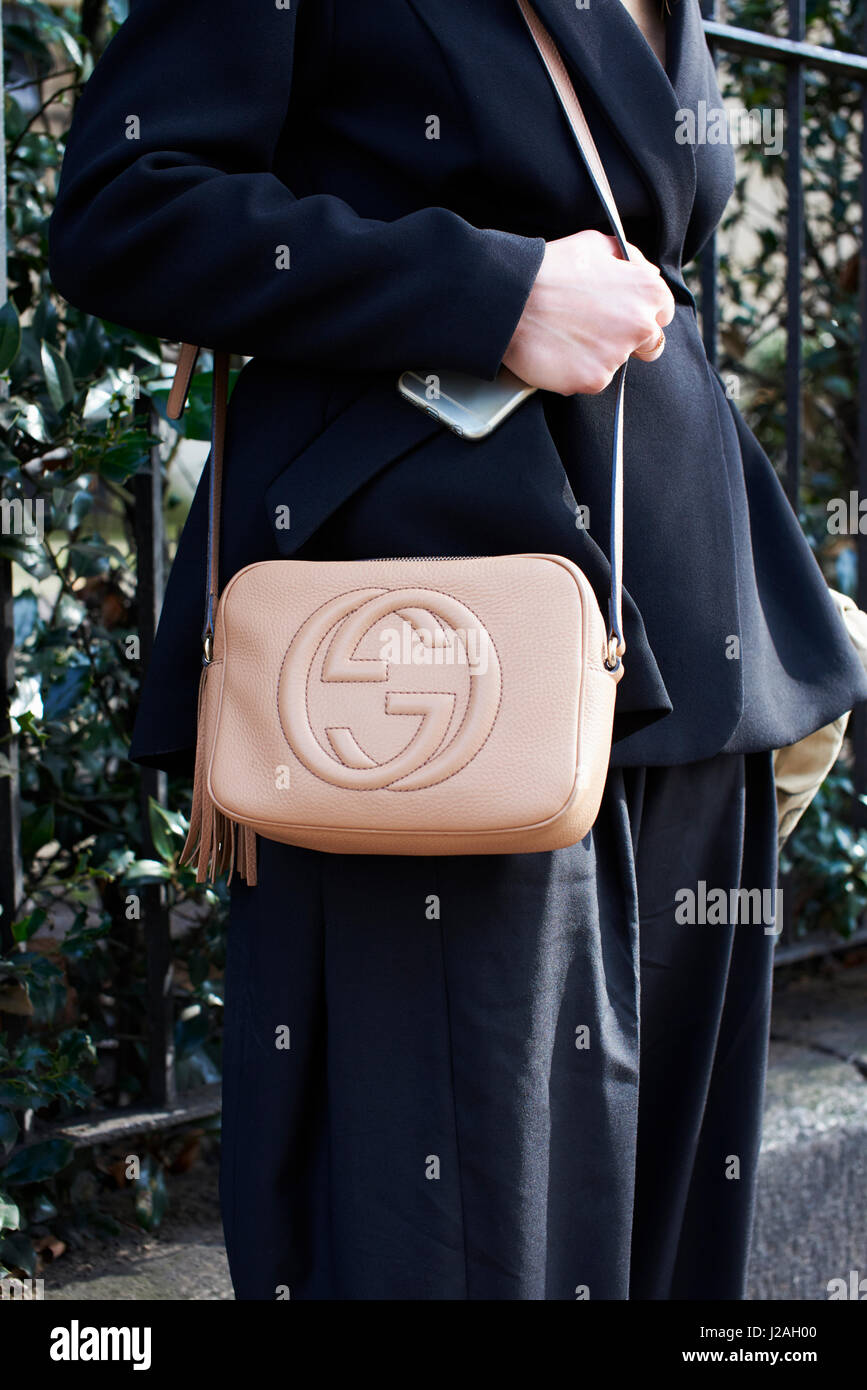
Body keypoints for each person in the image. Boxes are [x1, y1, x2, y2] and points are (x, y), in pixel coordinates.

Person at [48, 0, 867, 1300]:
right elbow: (126, 207)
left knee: (661, 1241)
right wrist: (493, 296)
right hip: (432, 674)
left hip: (684, 656)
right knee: (452, 1245)